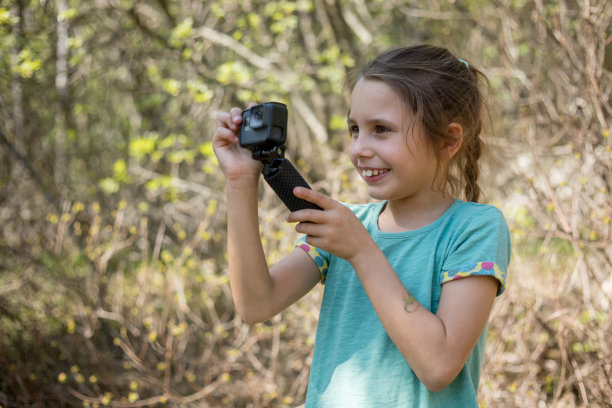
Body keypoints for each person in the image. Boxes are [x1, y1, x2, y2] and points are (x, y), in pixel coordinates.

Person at [213, 44, 511, 407]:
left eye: (381, 129)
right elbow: (256, 304)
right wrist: (240, 181)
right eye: (355, 129)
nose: (359, 148)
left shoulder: (475, 228)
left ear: (448, 140)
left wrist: (361, 251)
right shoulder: (350, 227)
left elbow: (438, 367)